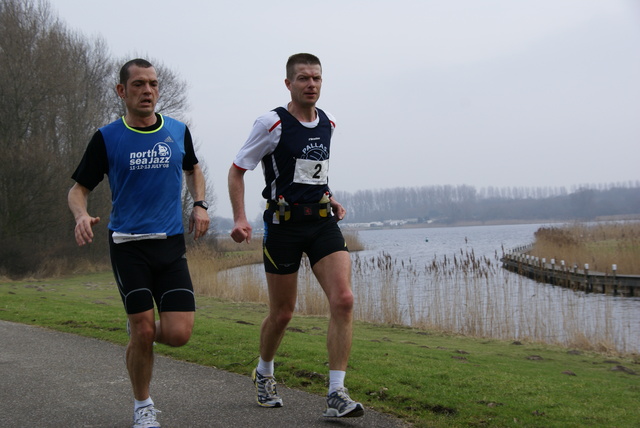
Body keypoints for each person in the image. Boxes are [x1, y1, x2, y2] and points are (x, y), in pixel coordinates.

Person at [68, 58, 210, 428]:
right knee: (145, 328)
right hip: (128, 245)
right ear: (122, 91)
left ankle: (139, 339)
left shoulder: (178, 130)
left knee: (178, 334)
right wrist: (82, 215)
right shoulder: (107, 137)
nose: (148, 91)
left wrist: (199, 204)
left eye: (153, 84)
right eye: (138, 85)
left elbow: (193, 168)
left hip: (170, 243)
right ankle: (143, 406)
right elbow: (78, 190)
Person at [228, 53, 364, 418]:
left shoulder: (329, 122)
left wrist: (330, 197)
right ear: (288, 83)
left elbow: (312, 171)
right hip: (283, 227)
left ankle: (336, 393)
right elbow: (237, 170)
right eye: (304, 78)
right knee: (283, 313)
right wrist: (241, 218)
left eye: (317, 78)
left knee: (345, 299)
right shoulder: (271, 123)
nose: (312, 85)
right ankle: (264, 371)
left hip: (321, 223)